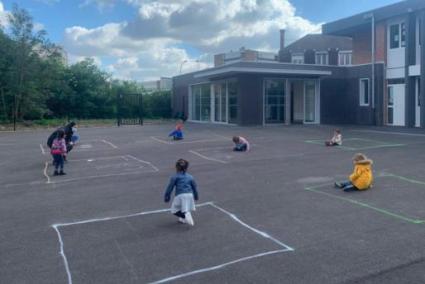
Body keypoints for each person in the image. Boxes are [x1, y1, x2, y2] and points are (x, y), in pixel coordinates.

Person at [164, 159, 199, 226]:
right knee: (183, 207)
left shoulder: (175, 177)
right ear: (186, 168)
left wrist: (167, 196)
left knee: (174, 210)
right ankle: (182, 219)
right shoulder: (190, 177)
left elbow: (170, 187)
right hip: (189, 195)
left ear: (176, 167)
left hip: (180, 195)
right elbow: (194, 187)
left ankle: (185, 216)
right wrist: (196, 196)